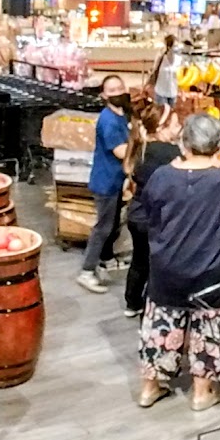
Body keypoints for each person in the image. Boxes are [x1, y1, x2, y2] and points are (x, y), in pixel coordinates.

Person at [133, 112, 220, 408]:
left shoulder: (162, 176)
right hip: (210, 270)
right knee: (208, 330)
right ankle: (202, 394)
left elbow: (148, 216)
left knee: (160, 326)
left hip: (166, 267)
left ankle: (150, 388)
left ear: (183, 143)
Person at [118, 95, 179, 324]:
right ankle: (150, 308)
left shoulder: (141, 147)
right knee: (156, 264)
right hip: (157, 218)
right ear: (163, 127)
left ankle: (132, 302)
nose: (178, 128)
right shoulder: (170, 154)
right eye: (174, 124)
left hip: (136, 214)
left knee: (139, 259)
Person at [73, 78, 135, 294]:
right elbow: (120, 151)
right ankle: (86, 271)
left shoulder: (122, 115)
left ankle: (105, 260)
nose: (118, 92)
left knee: (114, 222)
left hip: (115, 181)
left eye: (120, 88)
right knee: (103, 227)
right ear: (103, 95)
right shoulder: (108, 121)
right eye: (112, 90)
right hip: (106, 181)